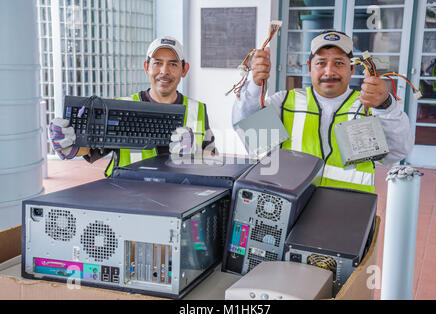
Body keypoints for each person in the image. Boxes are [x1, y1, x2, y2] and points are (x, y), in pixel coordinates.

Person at [232, 30, 413, 193]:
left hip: (350, 211)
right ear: (309, 67)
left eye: (339, 63)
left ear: (351, 69)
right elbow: (252, 137)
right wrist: (255, 85)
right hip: (291, 207)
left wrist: (385, 105)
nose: (329, 71)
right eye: (321, 62)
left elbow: (398, 151)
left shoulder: (368, 106)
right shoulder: (285, 102)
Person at [49, 36, 216, 176]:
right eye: (157, 63)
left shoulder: (197, 109)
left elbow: (213, 158)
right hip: (127, 196)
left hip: (181, 198)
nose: (164, 71)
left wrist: (195, 153)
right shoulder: (123, 107)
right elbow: (89, 149)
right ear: (146, 67)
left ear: (184, 69)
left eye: (173, 64)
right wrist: (67, 145)